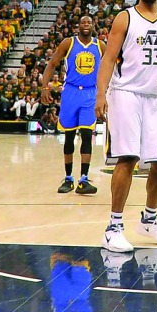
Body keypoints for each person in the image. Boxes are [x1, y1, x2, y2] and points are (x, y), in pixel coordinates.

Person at [96, 0, 157, 253]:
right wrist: (100, 95)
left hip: (155, 97)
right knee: (128, 157)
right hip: (126, 94)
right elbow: (109, 58)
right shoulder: (125, 18)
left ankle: (149, 220)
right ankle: (113, 228)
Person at [41, 15, 103, 195]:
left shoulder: (100, 45)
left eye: (89, 22)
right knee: (69, 136)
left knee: (86, 134)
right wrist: (45, 87)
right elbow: (52, 64)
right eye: (83, 22)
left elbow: (112, 65)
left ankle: (84, 179)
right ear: (78, 26)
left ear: (93, 26)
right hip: (70, 91)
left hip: (90, 93)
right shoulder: (68, 43)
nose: (86, 25)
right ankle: (68, 178)